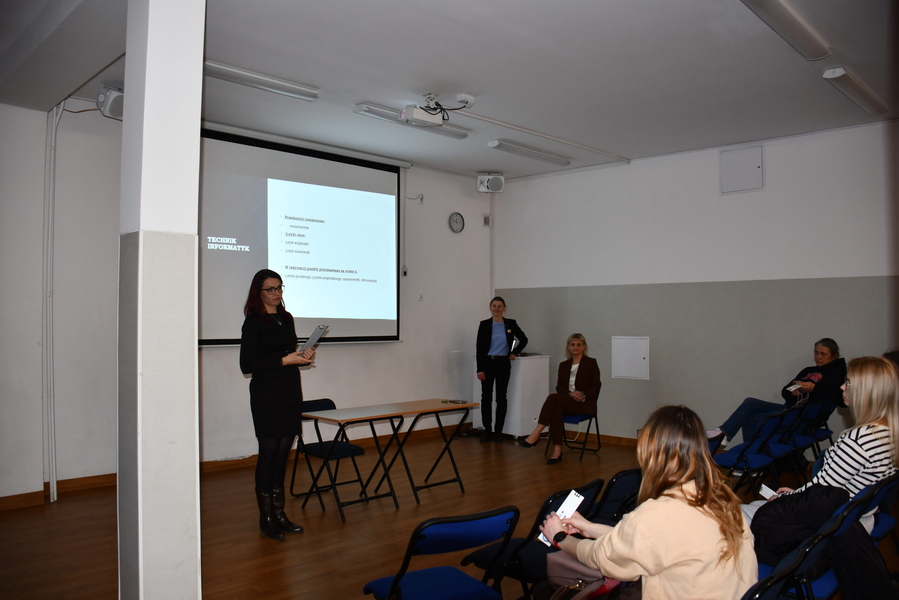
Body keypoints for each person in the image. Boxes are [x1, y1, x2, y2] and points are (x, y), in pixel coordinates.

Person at [541, 405, 757, 600]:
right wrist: (589, 528)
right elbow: (654, 542)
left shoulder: (658, 514)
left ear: (652, 453)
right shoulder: (722, 499)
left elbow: (602, 557)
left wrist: (560, 538)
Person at [748, 356, 899, 600]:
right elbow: (827, 488)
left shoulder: (857, 440)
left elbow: (822, 492)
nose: (842, 387)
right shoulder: (890, 432)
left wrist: (788, 497)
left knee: (739, 513)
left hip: (833, 526)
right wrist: (796, 493)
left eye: (849, 383)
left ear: (868, 393)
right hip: (856, 518)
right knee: (760, 504)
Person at [239, 269, 315, 540]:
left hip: (289, 388)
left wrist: (303, 356)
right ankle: (266, 518)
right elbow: (247, 365)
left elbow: (288, 354)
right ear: (258, 293)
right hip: (266, 392)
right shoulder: (253, 322)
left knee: (283, 451)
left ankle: (280, 513)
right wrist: (284, 360)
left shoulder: (286, 318)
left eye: (279, 287)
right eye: (270, 289)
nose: (276, 292)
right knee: (269, 451)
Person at [707, 338, 846, 443]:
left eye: (823, 354)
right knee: (750, 403)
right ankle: (724, 433)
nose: (818, 357)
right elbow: (785, 391)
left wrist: (814, 388)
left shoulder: (836, 373)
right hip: (789, 408)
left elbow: (836, 396)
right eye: (816, 352)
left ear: (834, 356)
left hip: (801, 418)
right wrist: (793, 393)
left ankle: (751, 460)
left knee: (751, 420)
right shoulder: (808, 371)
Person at [518, 333, 601, 464]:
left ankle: (536, 433)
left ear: (584, 347)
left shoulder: (591, 363)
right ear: (568, 347)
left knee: (552, 398)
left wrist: (582, 395)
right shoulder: (564, 365)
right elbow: (560, 387)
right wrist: (570, 394)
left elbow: (596, 386)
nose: (575, 347)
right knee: (556, 410)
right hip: (569, 401)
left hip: (584, 403)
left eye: (579, 345)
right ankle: (557, 451)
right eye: (572, 345)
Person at [475, 296, 527, 443]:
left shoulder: (511, 323)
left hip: (503, 364)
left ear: (504, 308)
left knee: (501, 398)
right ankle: (487, 430)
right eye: (494, 306)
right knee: (486, 398)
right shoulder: (484, 325)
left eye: (499, 306)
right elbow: (479, 348)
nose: (497, 308)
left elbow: (524, 339)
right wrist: (480, 369)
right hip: (487, 364)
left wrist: (514, 353)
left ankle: (498, 431)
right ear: (490, 308)